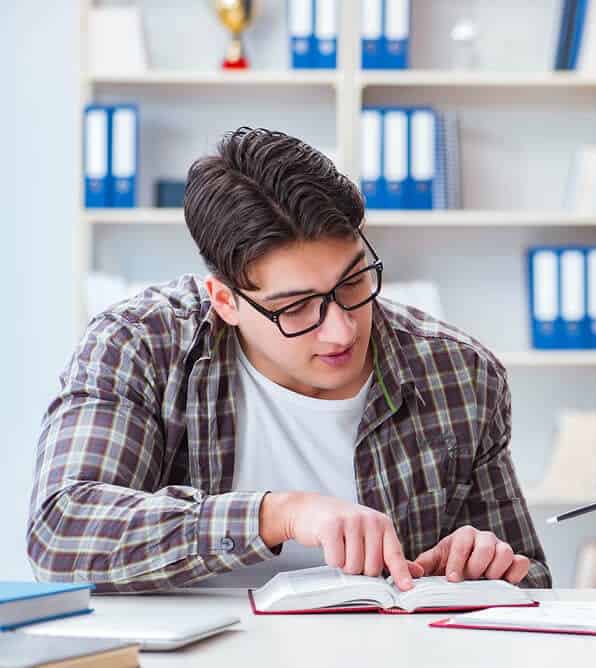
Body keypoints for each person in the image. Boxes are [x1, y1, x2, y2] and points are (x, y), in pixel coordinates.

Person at [27, 127, 550, 592]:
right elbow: (61, 534)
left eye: (353, 282)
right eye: (296, 307)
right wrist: (277, 513)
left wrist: (476, 571)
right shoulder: (140, 345)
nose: (340, 328)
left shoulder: (459, 373)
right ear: (225, 300)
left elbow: (533, 583)